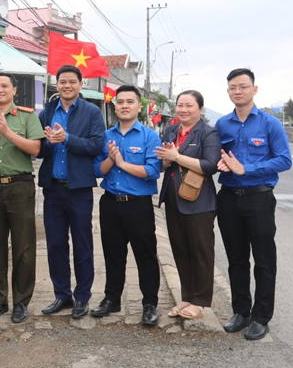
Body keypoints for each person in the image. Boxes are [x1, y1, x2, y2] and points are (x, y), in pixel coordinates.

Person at [215, 68, 292, 340]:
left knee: (263, 260)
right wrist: (220, 164)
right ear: (228, 92)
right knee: (236, 259)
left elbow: (284, 160)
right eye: (233, 87)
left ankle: (261, 317)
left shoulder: (270, 124)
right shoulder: (222, 124)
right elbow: (215, 157)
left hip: (259, 198)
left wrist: (246, 168)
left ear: (254, 90)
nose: (238, 91)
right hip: (228, 199)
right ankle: (241, 312)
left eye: (243, 86)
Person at [0, 73, 44, 324]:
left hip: (20, 186)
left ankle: (21, 302)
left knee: (24, 246)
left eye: (4, 86)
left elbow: (35, 149)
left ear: (14, 90)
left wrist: (6, 131)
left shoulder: (27, 116)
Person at [38, 65, 104, 320]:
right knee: (55, 244)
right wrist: (48, 143)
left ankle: (83, 297)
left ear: (80, 84)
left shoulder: (92, 112)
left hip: (79, 189)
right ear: (57, 84)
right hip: (53, 189)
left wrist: (66, 138)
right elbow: (39, 148)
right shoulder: (48, 111)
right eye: (62, 82)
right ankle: (62, 295)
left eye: (72, 82)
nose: (67, 86)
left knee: (82, 243)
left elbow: (96, 145)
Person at [92, 86, 162, 325]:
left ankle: (150, 304)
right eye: (120, 101)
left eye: (130, 101)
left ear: (139, 106)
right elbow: (97, 171)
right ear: (114, 106)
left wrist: (121, 162)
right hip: (111, 203)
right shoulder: (106, 136)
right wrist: (111, 160)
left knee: (146, 255)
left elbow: (152, 172)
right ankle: (112, 299)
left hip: (138, 206)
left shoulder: (149, 136)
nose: (124, 105)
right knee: (113, 254)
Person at [154, 90, 221, 321]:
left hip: (199, 200)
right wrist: (164, 160)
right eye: (180, 105)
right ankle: (187, 296)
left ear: (200, 109)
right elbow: (164, 165)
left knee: (200, 251)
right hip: (173, 197)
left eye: (189, 105)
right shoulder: (171, 130)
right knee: (180, 249)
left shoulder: (208, 133)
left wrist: (176, 157)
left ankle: (200, 302)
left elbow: (210, 165)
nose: (183, 109)